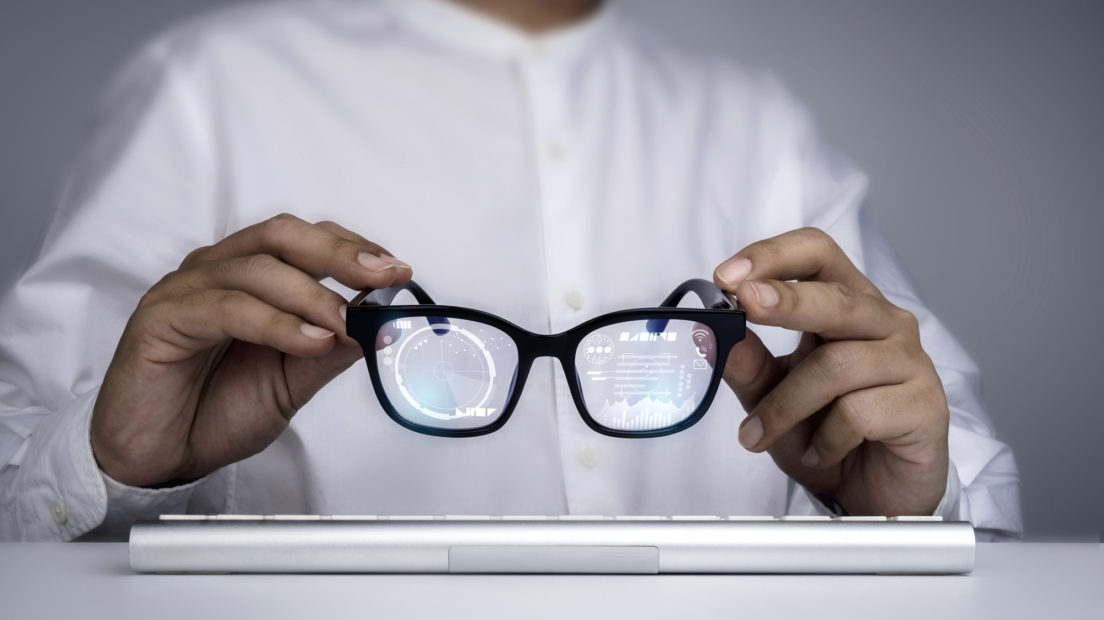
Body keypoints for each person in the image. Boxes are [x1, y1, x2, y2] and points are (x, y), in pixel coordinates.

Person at [0, 0, 1021, 541]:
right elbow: (17, 488)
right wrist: (111, 457)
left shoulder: (758, 123)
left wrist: (901, 518)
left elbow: (960, 473)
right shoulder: (210, 90)